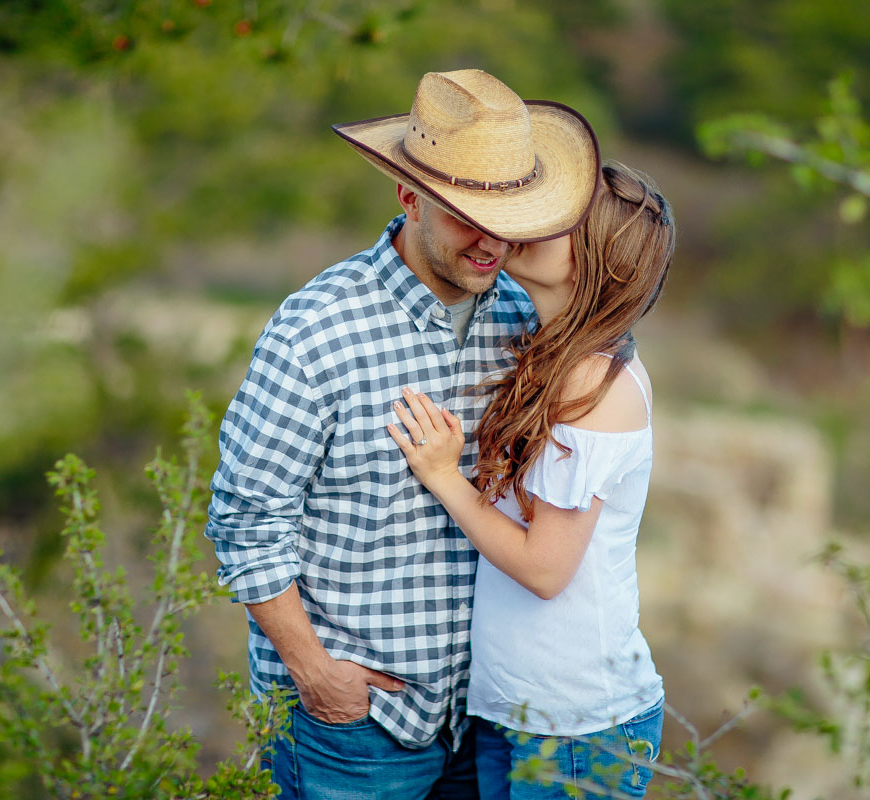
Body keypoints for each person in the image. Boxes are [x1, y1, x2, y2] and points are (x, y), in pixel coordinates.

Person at [205, 68, 601, 799]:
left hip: (483, 722)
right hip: (355, 730)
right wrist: (318, 676)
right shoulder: (316, 331)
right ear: (407, 194)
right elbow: (246, 525)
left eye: (508, 215)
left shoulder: (522, 319)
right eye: (463, 213)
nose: (492, 243)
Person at [386, 160, 675, 799]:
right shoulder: (548, 349)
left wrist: (443, 476)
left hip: (578, 725)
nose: (529, 221)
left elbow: (546, 570)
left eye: (559, 220)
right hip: (514, 709)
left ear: (597, 261)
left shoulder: (595, 382)